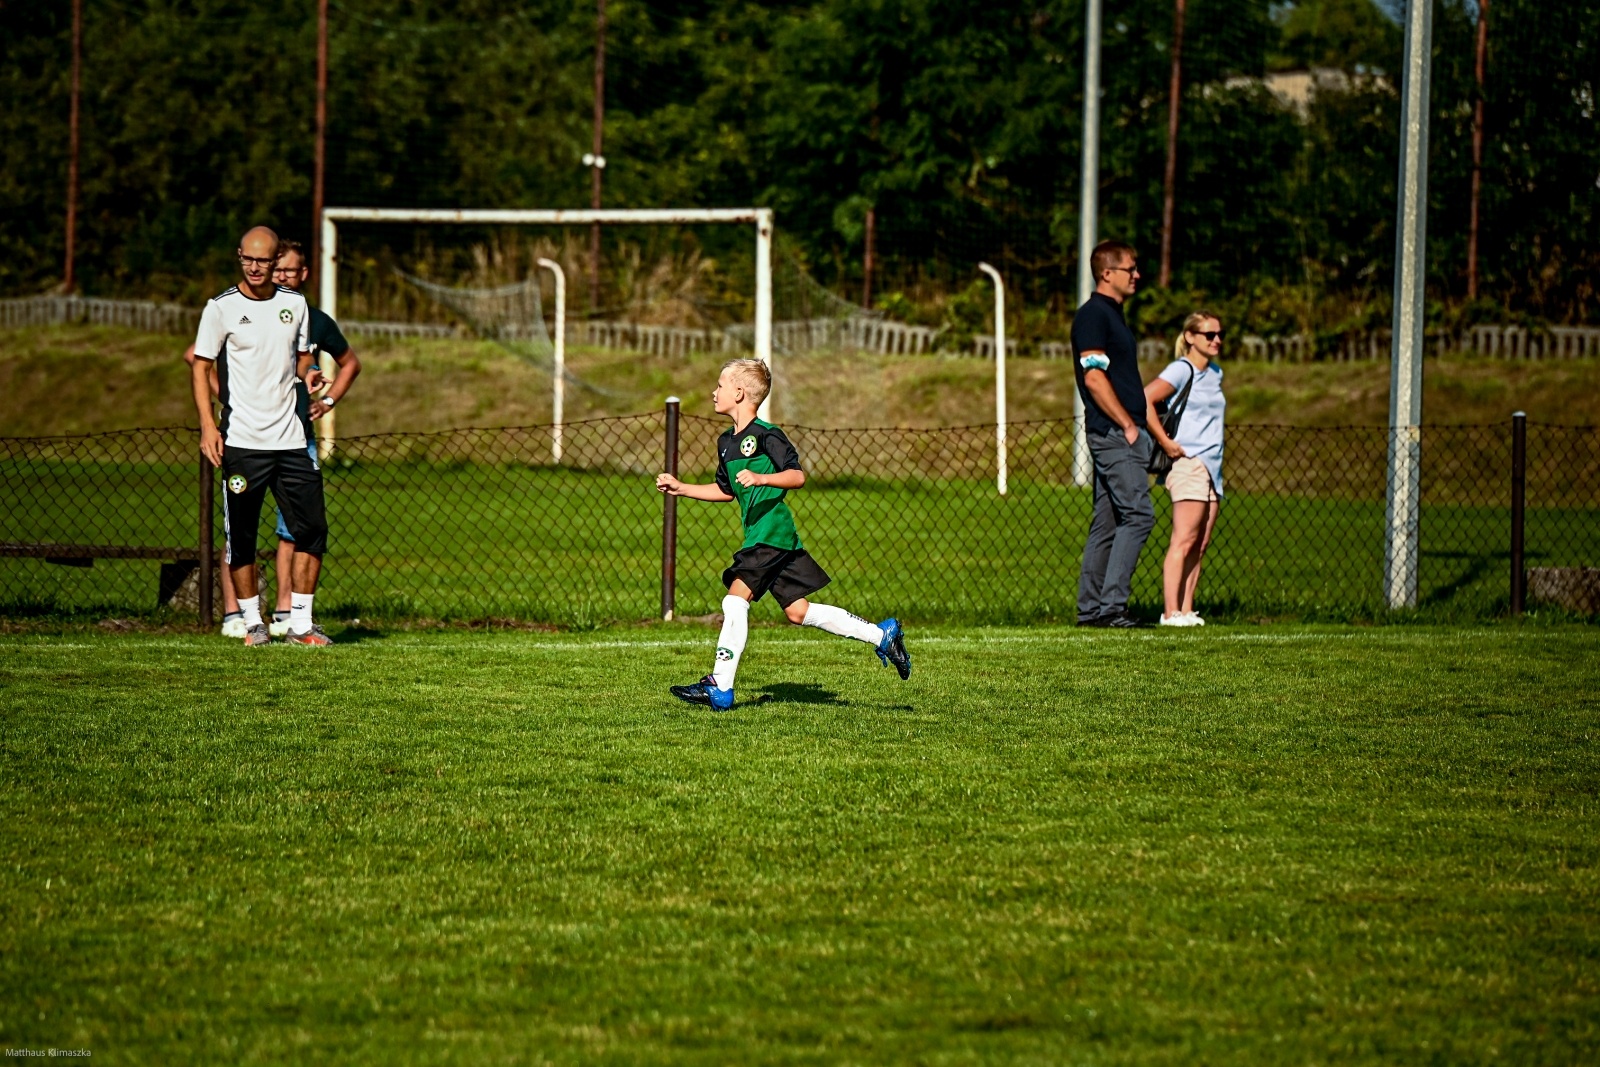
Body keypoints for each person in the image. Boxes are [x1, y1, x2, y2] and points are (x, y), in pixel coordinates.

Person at [655, 358, 911, 709]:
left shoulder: (767, 436)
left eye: (720, 385)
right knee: (798, 612)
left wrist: (763, 478)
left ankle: (720, 686)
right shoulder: (726, 443)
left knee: (734, 600)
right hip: (766, 538)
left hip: (771, 534)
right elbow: (726, 490)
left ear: (740, 392)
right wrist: (681, 488)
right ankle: (882, 635)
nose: (713, 392)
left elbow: (797, 476)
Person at [187, 240, 361, 637]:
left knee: (312, 530)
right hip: (244, 444)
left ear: (273, 261)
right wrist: (208, 426)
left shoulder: (295, 305)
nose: (255, 267)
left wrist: (311, 374)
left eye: (263, 260)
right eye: (248, 258)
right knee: (242, 537)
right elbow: (199, 366)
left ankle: (300, 623)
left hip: (293, 442)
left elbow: (301, 357)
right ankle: (251, 623)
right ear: (239, 258)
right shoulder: (220, 308)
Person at [1072, 240, 1154, 628]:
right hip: (1114, 435)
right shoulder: (1094, 316)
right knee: (1138, 515)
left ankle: (1092, 611)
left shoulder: (1113, 316)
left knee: (1107, 522)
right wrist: (1126, 424)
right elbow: (1093, 377)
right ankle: (1112, 608)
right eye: (1131, 269)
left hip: (1120, 433)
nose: (1137, 275)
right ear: (1108, 273)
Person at [1146, 311, 1226, 627]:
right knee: (1183, 539)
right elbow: (1146, 399)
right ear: (1190, 337)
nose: (1217, 340)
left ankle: (1187, 609)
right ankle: (1170, 612)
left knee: (1200, 543)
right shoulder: (1181, 370)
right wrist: (1166, 442)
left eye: (1220, 334)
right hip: (1188, 462)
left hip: (1212, 467)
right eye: (1209, 334)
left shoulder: (1216, 373)